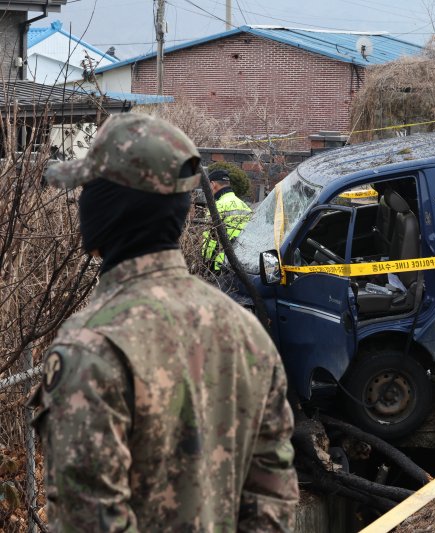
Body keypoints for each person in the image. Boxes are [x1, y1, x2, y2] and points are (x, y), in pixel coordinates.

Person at [30, 114, 298, 531]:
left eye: (87, 191)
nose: (80, 203)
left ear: (109, 207)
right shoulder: (245, 332)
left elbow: (89, 521)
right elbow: (272, 497)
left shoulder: (92, 347)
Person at [202, 168, 252, 272]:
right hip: (242, 265)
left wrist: (205, 264)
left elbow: (209, 241)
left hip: (219, 266)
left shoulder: (216, 207)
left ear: (212, 184)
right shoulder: (246, 207)